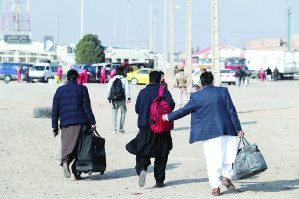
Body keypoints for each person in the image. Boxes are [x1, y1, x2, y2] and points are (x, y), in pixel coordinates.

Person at [162, 72, 244, 196]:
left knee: (212, 160)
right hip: (228, 130)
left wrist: (168, 117)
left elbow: (184, 110)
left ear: (201, 83)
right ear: (213, 81)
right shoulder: (223, 91)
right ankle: (227, 177)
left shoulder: (196, 96)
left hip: (209, 133)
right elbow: (231, 110)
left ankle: (215, 188)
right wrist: (238, 129)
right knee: (228, 157)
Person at [126, 71, 175, 188]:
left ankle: (142, 169)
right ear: (160, 81)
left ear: (149, 80)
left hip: (145, 127)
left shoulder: (142, 92)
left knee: (142, 151)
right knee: (162, 154)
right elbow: (171, 105)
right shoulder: (163, 91)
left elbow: (137, 109)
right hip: (161, 128)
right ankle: (159, 181)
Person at [52, 69, 96, 180]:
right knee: (80, 148)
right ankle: (76, 173)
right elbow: (87, 107)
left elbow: (55, 110)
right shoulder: (82, 89)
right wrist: (93, 122)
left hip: (65, 123)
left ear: (67, 79)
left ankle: (66, 161)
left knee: (67, 145)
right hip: (80, 122)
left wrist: (55, 127)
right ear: (77, 78)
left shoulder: (59, 90)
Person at [107, 67, 131, 134]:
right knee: (123, 112)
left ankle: (114, 129)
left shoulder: (112, 79)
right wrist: (128, 98)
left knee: (114, 113)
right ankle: (121, 128)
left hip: (114, 99)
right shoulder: (125, 80)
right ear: (121, 72)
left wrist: (108, 97)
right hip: (122, 99)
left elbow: (108, 89)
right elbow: (127, 89)